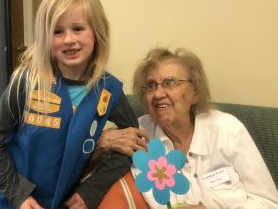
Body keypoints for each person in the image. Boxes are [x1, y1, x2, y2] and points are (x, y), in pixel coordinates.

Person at [0, 0, 149, 209]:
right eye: (57, 32)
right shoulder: (27, 81)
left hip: (61, 202)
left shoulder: (109, 90)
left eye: (78, 28)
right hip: (10, 200)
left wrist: (93, 189)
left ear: (97, 33)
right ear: (45, 38)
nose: (69, 39)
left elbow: (133, 145)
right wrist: (19, 194)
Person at [98, 47, 278, 208]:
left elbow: (269, 202)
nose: (159, 93)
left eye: (170, 82)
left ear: (195, 92)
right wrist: (102, 141)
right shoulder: (138, 134)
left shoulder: (228, 130)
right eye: (151, 86)